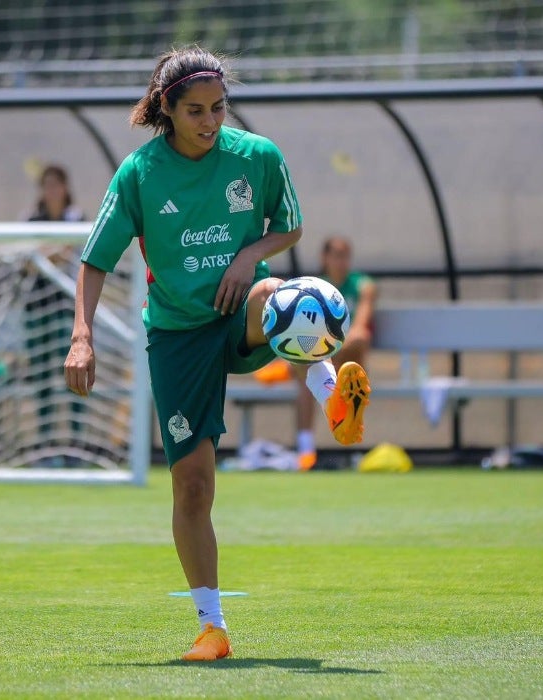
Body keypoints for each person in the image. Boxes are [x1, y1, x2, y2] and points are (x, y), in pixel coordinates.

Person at [64, 46, 371, 662]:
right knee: (193, 487)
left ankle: (333, 394)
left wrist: (247, 255)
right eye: (197, 111)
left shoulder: (257, 158)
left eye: (219, 108)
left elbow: (290, 228)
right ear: (167, 111)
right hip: (178, 337)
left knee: (277, 294)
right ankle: (212, 629)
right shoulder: (140, 175)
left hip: (238, 315)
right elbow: (96, 261)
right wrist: (82, 335)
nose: (211, 122)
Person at [293, 237, 376, 470]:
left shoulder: (362, 285)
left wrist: (326, 352)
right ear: (324, 258)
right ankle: (306, 451)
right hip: (324, 358)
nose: (342, 262)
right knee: (308, 375)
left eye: (345, 256)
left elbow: (360, 327)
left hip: (349, 360)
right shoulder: (315, 287)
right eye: (337, 255)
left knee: (358, 338)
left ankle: (330, 384)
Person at [24, 165, 85, 466]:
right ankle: (45, 448)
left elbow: (70, 255)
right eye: (46, 185)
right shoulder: (32, 221)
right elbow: (27, 262)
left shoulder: (77, 219)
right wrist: (48, 253)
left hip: (69, 313)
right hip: (37, 311)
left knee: (75, 375)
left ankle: (77, 446)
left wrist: (45, 253)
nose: (51, 191)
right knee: (43, 380)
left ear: (65, 187)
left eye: (56, 184)